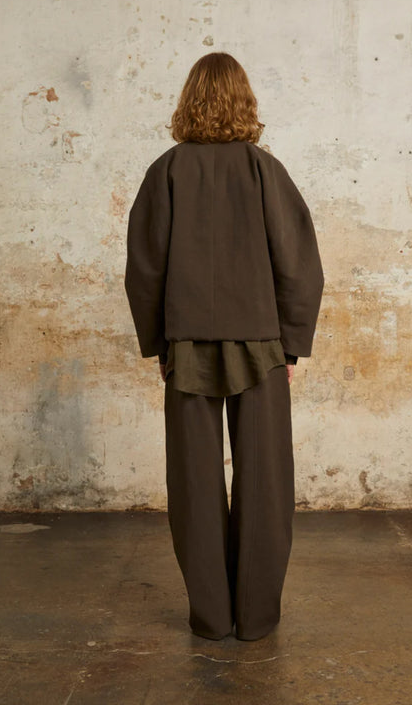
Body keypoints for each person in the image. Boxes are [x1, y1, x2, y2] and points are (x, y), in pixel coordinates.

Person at [125, 52, 325, 641]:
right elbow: (299, 264)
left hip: (187, 343)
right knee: (266, 481)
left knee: (193, 482)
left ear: (188, 100)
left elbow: (145, 268)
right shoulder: (265, 170)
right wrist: (291, 346)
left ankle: (211, 617)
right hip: (260, 344)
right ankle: (256, 618)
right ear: (245, 100)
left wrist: (160, 345)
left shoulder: (166, 171)